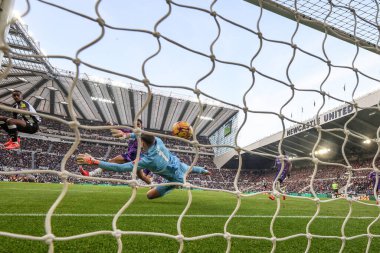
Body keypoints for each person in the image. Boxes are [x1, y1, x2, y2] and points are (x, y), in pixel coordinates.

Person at [77, 133, 210, 199]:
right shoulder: (158, 140)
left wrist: (94, 161)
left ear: (142, 143)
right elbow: (143, 134)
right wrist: (128, 135)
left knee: (149, 196)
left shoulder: (148, 160)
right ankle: (203, 171)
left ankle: (171, 186)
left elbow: (120, 168)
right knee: (188, 168)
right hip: (178, 163)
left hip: (176, 179)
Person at [79, 119, 152, 184]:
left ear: (141, 126)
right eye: (135, 125)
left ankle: (151, 184)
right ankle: (90, 174)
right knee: (111, 161)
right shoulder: (130, 131)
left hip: (138, 159)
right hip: (128, 156)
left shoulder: (143, 135)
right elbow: (118, 130)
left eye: (138, 125)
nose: (136, 126)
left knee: (142, 177)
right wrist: (111, 126)